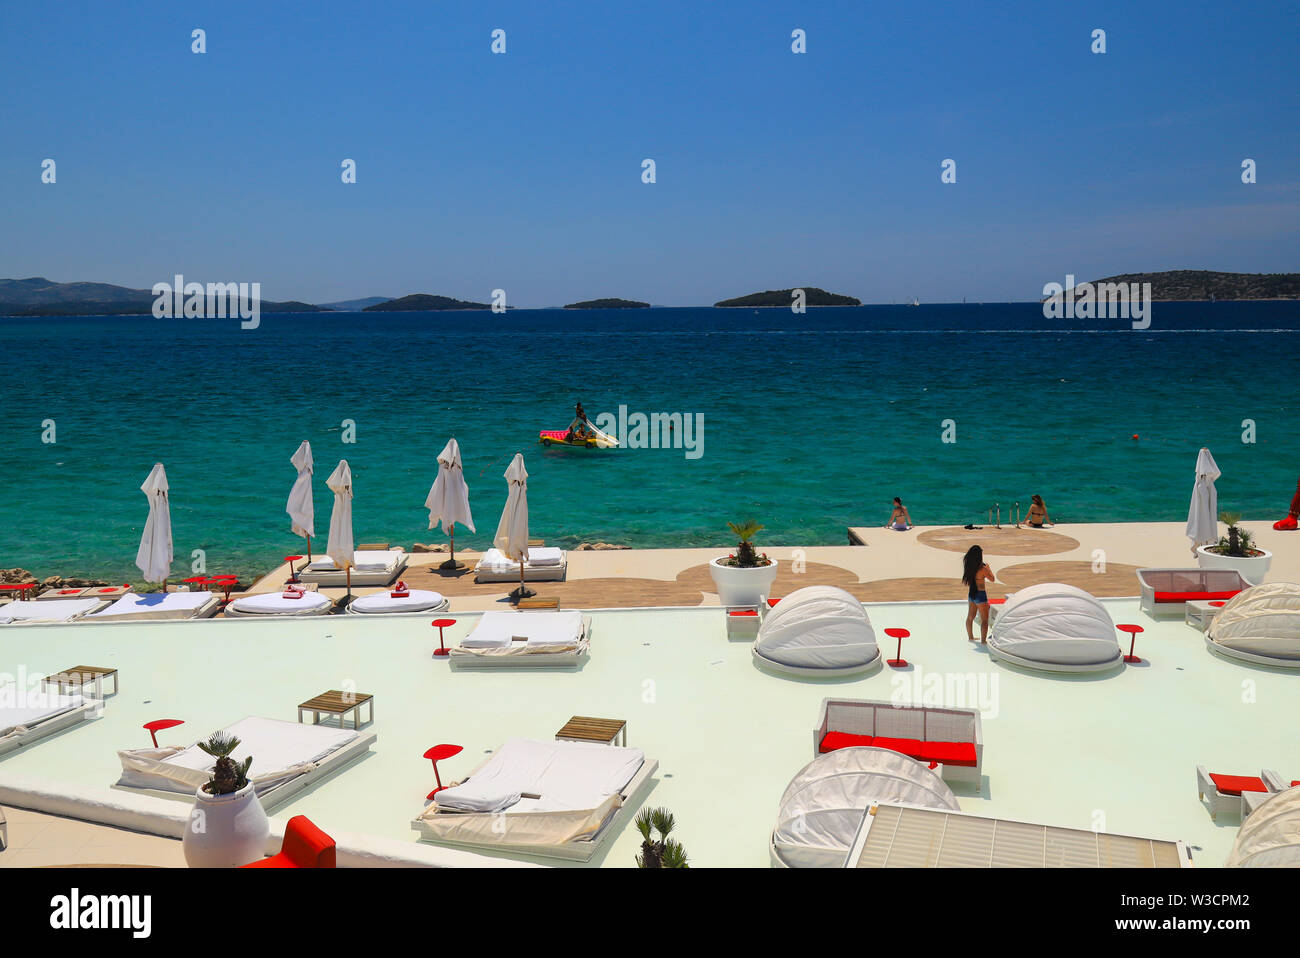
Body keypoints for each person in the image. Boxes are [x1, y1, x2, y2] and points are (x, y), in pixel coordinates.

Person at [962, 545, 996, 643]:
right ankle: (983, 641)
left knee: (970, 617)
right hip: (980, 595)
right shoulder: (982, 568)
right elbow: (992, 579)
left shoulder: (969, 566)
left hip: (972, 593)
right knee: (984, 619)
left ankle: (971, 637)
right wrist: (989, 569)